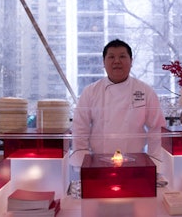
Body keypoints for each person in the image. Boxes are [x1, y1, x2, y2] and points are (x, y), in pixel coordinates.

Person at [70, 39, 166, 172]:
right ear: (104, 62)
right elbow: (80, 128)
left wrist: (155, 162)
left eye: (122, 56)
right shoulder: (90, 91)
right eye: (111, 57)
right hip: (98, 163)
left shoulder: (145, 91)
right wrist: (83, 162)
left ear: (131, 61)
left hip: (136, 163)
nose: (116, 61)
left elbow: (157, 129)